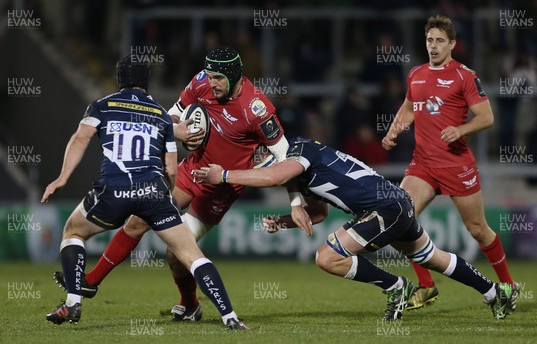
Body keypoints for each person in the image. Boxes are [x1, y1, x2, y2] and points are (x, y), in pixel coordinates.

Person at [52, 47, 300, 322]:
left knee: (175, 252)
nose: (211, 83)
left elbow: (287, 158)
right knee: (136, 222)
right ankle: (91, 281)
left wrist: (297, 203)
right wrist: (177, 130)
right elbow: (171, 115)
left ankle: (190, 304)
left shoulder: (257, 107)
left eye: (218, 78)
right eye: (209, 76)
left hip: (220, 186)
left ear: (232, 76)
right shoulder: (201, 82)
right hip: (192, 168)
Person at [193, 137, 515, 320]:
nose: (267, 170)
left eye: (264, 163)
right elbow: (317, 214)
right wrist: (283, 221)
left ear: (273, 155)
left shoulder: (300, 152)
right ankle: (493, 293)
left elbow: (273, 177)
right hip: (394, 202)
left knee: (327, 257)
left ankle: (395, 287)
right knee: (433, 257)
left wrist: (223, 176)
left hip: (383, 207)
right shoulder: (301, 170)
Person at [381, 15, 519, 310]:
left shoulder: (464, 76)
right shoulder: (415, 74)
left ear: (452, 44)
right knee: (397, 218)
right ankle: (427, 286)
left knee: (478, 229)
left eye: (440, 41)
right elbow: (409, 107)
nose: (433, 46)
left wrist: (461, 129)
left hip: (456, 165)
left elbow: (487, 117)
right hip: (423, 165)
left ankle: (507, 285)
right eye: (430, 40)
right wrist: (394, 130)